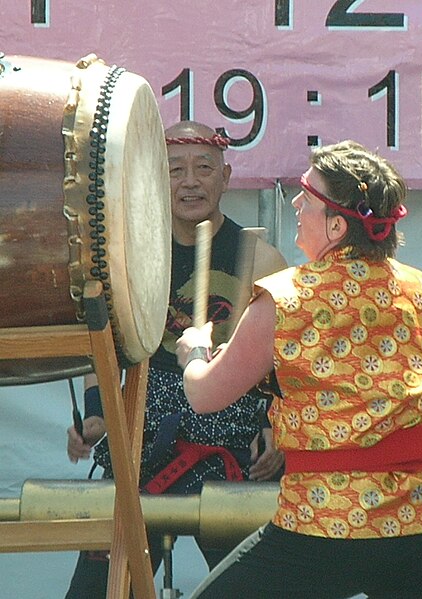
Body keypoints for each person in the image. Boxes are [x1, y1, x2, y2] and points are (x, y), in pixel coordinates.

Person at [175, 140, 422, 598]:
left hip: (322, 523)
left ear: (338, 224)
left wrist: (197, 353)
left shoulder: (286, 298)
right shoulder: (421, 291)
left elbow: (205, 396)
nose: (298, 203)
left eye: (308, 195)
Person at [64, 120, 288, 598]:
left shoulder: (261, 259)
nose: (191, 181)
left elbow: (285, 358)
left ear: (225, 177)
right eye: (176, 170)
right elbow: (98, 341)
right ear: (154, 180)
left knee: (262, 588)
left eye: (203, 168)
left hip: (234, 436)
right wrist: (97, 412)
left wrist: (276, 423)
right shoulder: (126, 257)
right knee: (99, 590)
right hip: (147, 440)